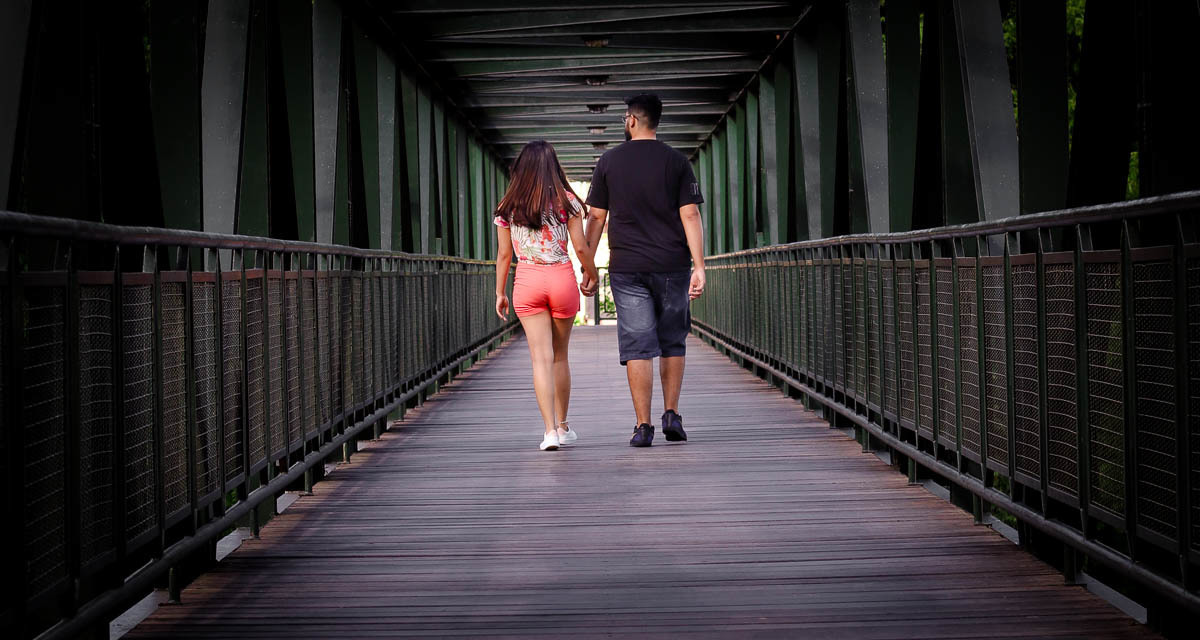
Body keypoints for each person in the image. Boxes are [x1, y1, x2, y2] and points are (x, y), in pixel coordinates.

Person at [582, 94, 706, 447]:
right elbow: (691, 215)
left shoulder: (609, 161)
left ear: (631, 121)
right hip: (673, 266)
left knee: (638, 345)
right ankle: (672, 414)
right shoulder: (677, 161)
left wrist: (589, 267)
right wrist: (700, 265)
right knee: (672, 340)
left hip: (628, 268)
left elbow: (595, 217)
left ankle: (643, 426)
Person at [494, 140, 601, 451]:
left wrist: (500, 292)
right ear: (554, 167)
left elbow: (504, 255)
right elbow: (581, 247)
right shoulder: (567, 200)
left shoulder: (508, 205)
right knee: (560, 357)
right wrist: (591, 274)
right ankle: (564, 425)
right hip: (561, 278)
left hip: (527, 280)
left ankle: (549, 432)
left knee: (540, 359)